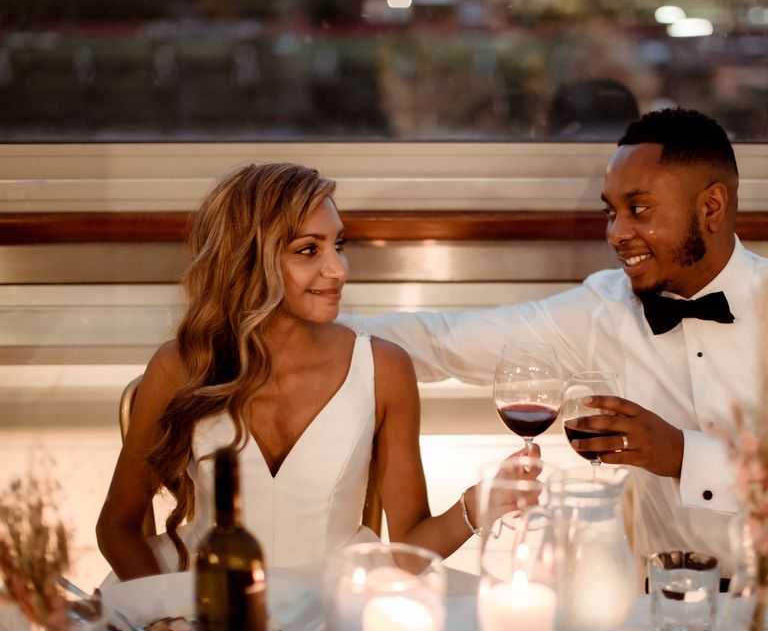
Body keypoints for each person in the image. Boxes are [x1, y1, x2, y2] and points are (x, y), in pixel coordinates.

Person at [361, 108, 768, 575]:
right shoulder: (605, 308)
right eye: (610, 213)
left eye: (639, 210)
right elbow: (442, 342)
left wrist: (680, 454)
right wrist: (299, 333)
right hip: (660, 610)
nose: (616, 233)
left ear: (710, 208)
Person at [96, 162, 532, 581]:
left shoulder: (384, 369)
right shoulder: (180, 367)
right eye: (309, 250)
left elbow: (409, 551)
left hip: (339, 599)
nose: (339, 269)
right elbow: (117, 529)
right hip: (203, 592)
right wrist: (166, 618)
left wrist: (477, 507)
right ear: (247, 260)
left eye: (338, 245)